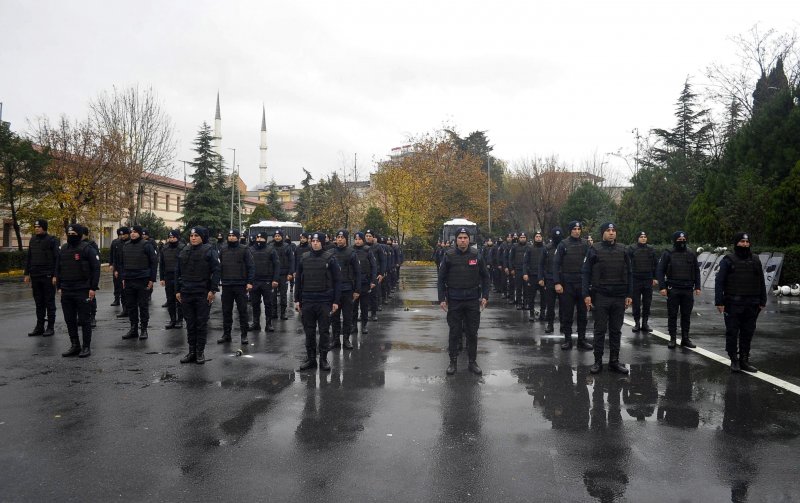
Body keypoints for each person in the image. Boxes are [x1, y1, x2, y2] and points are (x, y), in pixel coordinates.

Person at [437, 227, 490, 376]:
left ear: (469, 239)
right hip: (455, 300)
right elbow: (441, 279)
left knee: (472, 332)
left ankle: (472, 362)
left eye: (465, 238)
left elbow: (485, 277)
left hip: (472, 300)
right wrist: (441, 299)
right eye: (460, 238)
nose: (462, 240)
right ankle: (452, 362)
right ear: (456, 240)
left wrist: (485, 296)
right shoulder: (449, 255)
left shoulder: (476, 255)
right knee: (454, 332)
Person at [582, 222, 632, 374]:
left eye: (613, 230)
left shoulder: (623, 250)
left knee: (616, 330)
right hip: (601, 295)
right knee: (600, 330)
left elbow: (630, 273)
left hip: (619, 296)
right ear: (603, 233)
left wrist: (629, 294)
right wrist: (586, 295)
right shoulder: (594, 249)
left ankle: (614, 362)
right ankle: (598, 362)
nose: (611, 233)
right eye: (608, 230)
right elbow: (586, 272)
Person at [714, 232, 767, 373]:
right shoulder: (728, 260)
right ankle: (734, 359)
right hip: (733, 303)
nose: (745, 244)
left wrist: (763, 300)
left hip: (752, 303)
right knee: (732, 332)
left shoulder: (755, 260)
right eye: (742, 242)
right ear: (736, 243)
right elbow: (719, 281)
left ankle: (744, 360)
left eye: (747, 242)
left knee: (747, 332)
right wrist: (719, 302)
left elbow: (761, 280)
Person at [295, 232, 342, 372]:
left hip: (324, 301)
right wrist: (297, 300)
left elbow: (337, 281)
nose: (315, 243)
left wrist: (336, 301)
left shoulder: (330, 259)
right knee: (309, 332)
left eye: (317, 241)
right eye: (313, 241)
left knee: (324, 332)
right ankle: (311, 359)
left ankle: (323, 359)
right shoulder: (304, 258)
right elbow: (298, 281)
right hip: (308, 300)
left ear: (322, 242)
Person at [176, 227, 220, 364]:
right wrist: (177, 291)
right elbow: (177, 272)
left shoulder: (209, 250)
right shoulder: (184, 251)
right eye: (191, 235)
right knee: (190, 323)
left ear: (202, 237)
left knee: (201, 323)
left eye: (196, 235)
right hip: (186, 292)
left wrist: (212, 290)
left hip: (202, 293)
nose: (193, 238)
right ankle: (192, 352)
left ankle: (200, 352)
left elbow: (217, 271)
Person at [55, 224, 100, 358]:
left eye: (73, 234)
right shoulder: (63, 249)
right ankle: (75, 345)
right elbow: (58, 268)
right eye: (69, 234)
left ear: (79, 235)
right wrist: (59, 287)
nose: (71, 236)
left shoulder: (87, 249)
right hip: (67, 289)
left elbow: (95, 268)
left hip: (82, 289)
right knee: (69, 319)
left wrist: (92, 288)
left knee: (85, 320)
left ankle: (86, 347)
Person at [656, 231, 701, 349]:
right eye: (679, 240)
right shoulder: (668, 253)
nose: (682, 241)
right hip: (673, 289)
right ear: (675, 240)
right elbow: (660, 271)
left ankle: (685, 338)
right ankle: (672, 339)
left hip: (688, 289)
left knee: (686, 315)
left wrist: (698, 287)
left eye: (684, 239)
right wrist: (662, 287)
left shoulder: (691, 253)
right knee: (672, 315)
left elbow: (696, 271)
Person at [554, 221, 592, 350]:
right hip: (567, 284)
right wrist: (557, 282)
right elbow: (556, 264)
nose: (577, 231)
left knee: (582, 314)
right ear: (570, 230)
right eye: (574, 229)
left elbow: (591, 263)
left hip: (582, 284)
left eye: (579, 229)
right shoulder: (563, 244)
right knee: (567, 313)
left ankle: (581, 340)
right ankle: (568, 340)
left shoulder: (586, 244)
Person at [117, 225, 158, 340]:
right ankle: (133, 329)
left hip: (143, 280)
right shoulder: (126, 245)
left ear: (139, 233)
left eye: (135, 232)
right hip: (129, 280)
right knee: (131, 306)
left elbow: (154, 262)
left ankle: (144, 329)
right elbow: (122, 263)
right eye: (131, 232)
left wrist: (152, 279)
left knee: (143, 305)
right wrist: (123, 278)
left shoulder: (146, 245)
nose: (132, 234)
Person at [217, 229, 254, 345]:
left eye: (233, 235)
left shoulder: (244, 249)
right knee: (226, 311)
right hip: (227, 285)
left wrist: (249, 282)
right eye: (229, 235)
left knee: (242, 311)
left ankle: (244, 335)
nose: (231, 237)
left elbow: (251, 266)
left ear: (238, 237)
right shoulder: (223, 249)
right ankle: (226, 334)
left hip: (240, 285)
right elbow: (219, 266)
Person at [24, 218, 59, 337]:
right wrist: (26, 273)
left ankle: (50, 327)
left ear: (44, 227)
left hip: (48, 276)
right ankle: (39, 327)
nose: (36, 229)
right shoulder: (33, 240)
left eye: (38, 227)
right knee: (39, 302)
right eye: (35, 227)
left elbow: (57, 258)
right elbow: (29, 257)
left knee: (49, 302)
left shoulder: (52, 240)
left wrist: (55, 275)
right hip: (35, 275)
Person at [331, 230, 361, 350]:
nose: (339, 239)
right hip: (334, 290)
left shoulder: (351, 253)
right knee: (334, 317)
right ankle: (335, 340)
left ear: (346, 239)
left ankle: (346, 339)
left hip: (347, 289)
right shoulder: (331, 253)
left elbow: (357, 273)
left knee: (347, 316)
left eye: (342, 237)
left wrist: (357, 290)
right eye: (338, 237)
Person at [248, 232, 280, 333]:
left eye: (261, 238)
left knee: (268, 303)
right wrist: (248, 281)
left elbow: (276, 265)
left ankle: (268, 324)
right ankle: (256, 323)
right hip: (254, 281)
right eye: (257, 237)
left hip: (267, 281)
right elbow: (246, 266)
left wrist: (275, 279)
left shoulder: (271, 250)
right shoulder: (250, 250)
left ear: (265, 239)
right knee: (255, 303)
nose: (259, 239)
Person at [627, 231, 658, 333]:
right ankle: (637, 323)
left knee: (647, 303)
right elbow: (627, 264)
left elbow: (655, 264)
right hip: (635, 279)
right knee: (636, 303)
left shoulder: (651, 249)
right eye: (641, 237)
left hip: (648, 279)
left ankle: (645, 323)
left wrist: (655, 278)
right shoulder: (631, 249)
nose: (643, 238)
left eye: (645, 236)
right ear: (637, 238)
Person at [351, 231, 377, 335]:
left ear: (363, 240)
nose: (357, 241)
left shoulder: (367, 251)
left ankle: (364, 325)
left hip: (365, 282)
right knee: (353, 306)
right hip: (353, 283)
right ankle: (353, 326)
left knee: (364, 306)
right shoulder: (351, 251)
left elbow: (373, 266)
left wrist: (373, 280)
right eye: (356, 239)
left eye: (359, 239)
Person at [538, 227, 562, 334]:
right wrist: (541, 278)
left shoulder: (564, 247)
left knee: (564, 304)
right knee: (550, 304)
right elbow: (541, 264)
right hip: (550, 279)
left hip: (562, 279)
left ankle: (563, 325)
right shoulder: (547, 248)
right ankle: (550, 324)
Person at [159, 229, 185, 329]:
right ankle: (172, 320)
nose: (172, 239)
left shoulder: (182, 248)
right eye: (170, 237)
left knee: (179, 299)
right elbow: (162, 264)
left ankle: (180, 320)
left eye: (174, 237)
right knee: (170, 299)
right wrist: (162, 278)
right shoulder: (164, 248)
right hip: (168, 276)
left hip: (179, 277)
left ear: (177, 238)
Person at [271, 230, 295, 320]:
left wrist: (290, 273)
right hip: (273, 275)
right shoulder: (270, 246)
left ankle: (283, 313)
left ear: (282, 237)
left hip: (284, 275)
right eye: (276, 236)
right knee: (272, 295)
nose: (277, 237)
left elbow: (292, 260)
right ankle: (274, 312)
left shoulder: (287, 247)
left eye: (279, 236)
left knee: (283, 294)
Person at [522, 231, 545, 322]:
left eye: (540, 236)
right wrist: (525, 273)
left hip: (543, 277)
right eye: (537, 236)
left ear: (542, 238)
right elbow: (525, 262)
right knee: (531, 296)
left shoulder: (545, 248)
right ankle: (531, 313)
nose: (538, 238)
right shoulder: (529, 249)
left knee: (544, 296)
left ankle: (542, 313)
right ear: (534, 238)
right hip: (532, 276)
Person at [81, 227, 100, 328]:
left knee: (91, 297)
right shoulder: (75, 245)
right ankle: (81, 317)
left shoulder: (91, 245)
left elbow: (96, 262)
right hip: (78, 275)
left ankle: (92, 317)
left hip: (89, 275)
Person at [109, 227, 130, 309]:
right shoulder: (116, 243)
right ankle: (117, 299)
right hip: (118, 267)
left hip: (128, 267)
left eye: (124, 234)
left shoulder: (131, 242)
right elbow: (112, 255)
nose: (122, 236)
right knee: (117, 284)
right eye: (120, 235)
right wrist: (112, 265)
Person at [508, 232, 530, 309]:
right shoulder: (514, 247)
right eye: (521, 237)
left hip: (526, 271)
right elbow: (510, 258)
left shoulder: (529, 247)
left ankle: (526, 303)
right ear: (518, 238)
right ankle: (519, 303)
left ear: (526, 238)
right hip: (517, 270)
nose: (522, 239)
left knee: (526, 288)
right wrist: (512, 269)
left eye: (524, 237)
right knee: (518, 287)